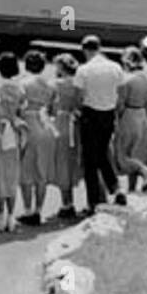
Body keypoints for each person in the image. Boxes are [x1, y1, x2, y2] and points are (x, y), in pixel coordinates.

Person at [74, 35, 124, 213]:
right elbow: (120, 92)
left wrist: (78, 111)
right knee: (103, 153)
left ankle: (93, 201)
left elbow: (79, 96)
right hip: (108, 113)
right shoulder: (115, 67)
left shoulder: (84, 70)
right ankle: (116, 188)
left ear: (85, 50)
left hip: (91, 113)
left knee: (90, 161)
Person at [113, 46, 147, 197]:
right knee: (137, 153)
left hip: (129, 114)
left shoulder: (126, 81)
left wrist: (116, 121)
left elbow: (120, 104)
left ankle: (146, 173)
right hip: (143, 114)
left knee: (122, 155)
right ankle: (133, 188)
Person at [17, 49, 57, 226]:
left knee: (26, 171)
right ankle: (38, 210)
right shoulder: (50, 86)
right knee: (41, 171)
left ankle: (27, 209)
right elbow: (53, 110)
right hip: (46, 126)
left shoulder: (23, 84)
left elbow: (19, 108)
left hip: (30, 125)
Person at [0, 51, 26, 231]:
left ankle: (0, 214)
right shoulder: (20, 89)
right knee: (12, 175)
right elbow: (21, 111)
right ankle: (11, 215)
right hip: (15, 131)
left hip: (0, 131)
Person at [51, 54, 83, 220]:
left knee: (62, 162)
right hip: (75, 124)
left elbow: (51, 107)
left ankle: (67, 203)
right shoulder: (79, 84)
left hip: (61, 123)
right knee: (73, 161)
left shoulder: (57, 84)